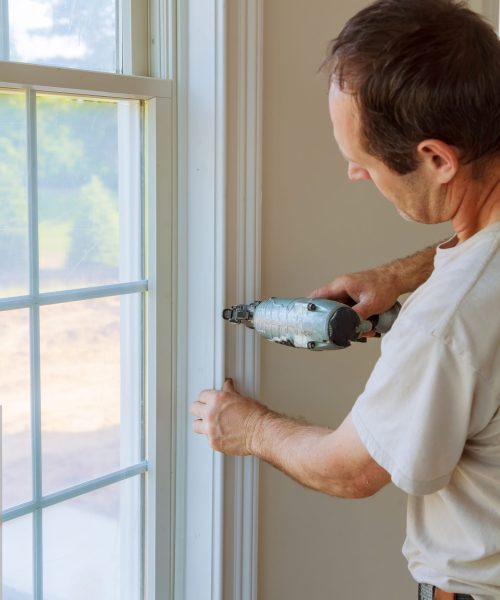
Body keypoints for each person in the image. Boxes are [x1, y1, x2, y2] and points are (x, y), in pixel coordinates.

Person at [190, 1, 500, 598]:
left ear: (436, 159)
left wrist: (248, 429)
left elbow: (352, 469)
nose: (356, 174)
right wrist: (405, 273)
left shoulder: (444, 327)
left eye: (364, 161)